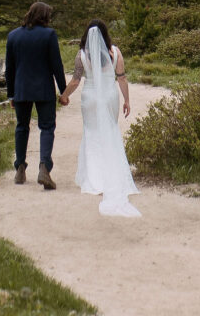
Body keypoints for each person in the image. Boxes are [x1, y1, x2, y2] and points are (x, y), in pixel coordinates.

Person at [59, 19, 141, 217]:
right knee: (111, 131)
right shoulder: (115, 52)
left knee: (92, 133)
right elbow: (121, 77)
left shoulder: (82, 55)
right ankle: (114, 176)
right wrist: (127, 100)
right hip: (110, 96)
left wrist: (64, 95)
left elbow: (76, 80)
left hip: (90, 97)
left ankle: (94, 177)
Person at [5, 1, 68, 190]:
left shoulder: (13, 36)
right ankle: (44, 167)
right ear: (44, 16)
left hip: (21, 89)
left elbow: (10, 69)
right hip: (43, 89)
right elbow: (57, 65)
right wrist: (63, 92)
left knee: (22, 127)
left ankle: (20, 168)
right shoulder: (49, 35)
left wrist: (11, 95)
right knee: (47, 127)